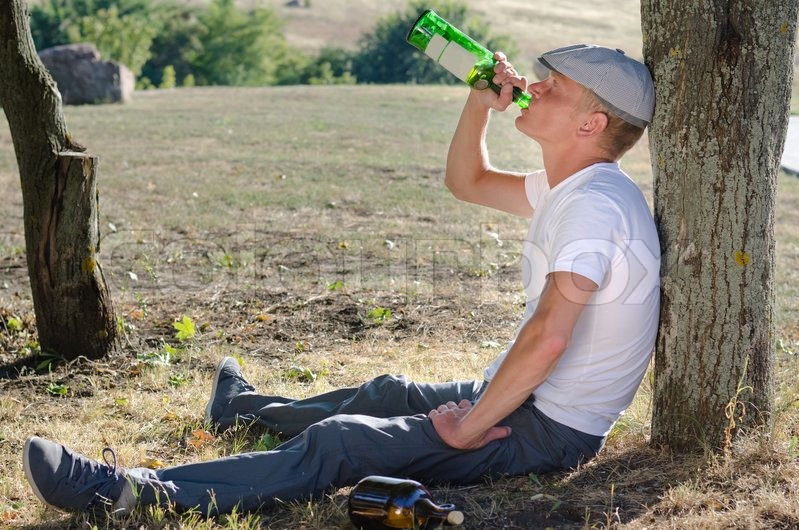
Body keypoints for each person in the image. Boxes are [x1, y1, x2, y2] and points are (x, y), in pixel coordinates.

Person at [22, 44, 660, 517]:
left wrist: (468, 426)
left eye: (556, 87)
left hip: (548, 429)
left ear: (591, 124)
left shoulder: (593, 206)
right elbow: (467, 183)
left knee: (341, 446)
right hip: (524, 399)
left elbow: (550, 337)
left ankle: (126, 492)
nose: (536, 87)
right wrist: (477, 104)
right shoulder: (570, 186)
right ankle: (241, 410)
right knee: (386, 392)